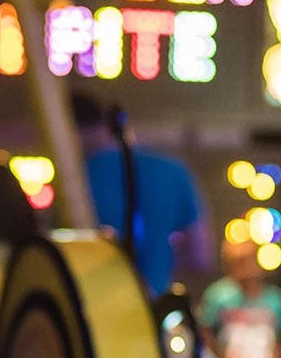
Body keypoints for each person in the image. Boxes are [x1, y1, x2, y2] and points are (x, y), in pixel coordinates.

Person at [73, 95, 211, 299]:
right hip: (151, 313)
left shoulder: (74, 178)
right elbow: (200, 256)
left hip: (93, 312)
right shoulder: (173, 171)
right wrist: (159, 256)